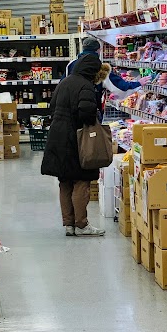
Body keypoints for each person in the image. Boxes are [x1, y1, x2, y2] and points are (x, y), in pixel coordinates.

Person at [40, 53, 110, 237]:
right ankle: (82, 224)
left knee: (65, 182)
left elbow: (52, 107)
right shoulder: (85, 86)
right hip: (75, 140)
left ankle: (69, 225)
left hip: (57, 136)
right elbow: (86, 114)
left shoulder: (65, 81)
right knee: (81, 181)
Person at [67, 36, 147, 119]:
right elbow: (120, 88)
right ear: (98, 50)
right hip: (90, 113)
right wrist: (138, 83)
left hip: (70, 112)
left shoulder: (71, 65)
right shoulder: (101, 69)